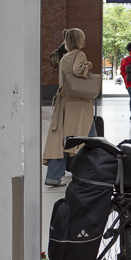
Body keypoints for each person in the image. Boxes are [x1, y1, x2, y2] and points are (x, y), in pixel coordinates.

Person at [42, 28, 96, 187]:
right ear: (80, 41)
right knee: (90, 137)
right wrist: (88, 66)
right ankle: (93, 172)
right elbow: (78, 72)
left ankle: (53, 175)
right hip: (78, 103)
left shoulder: (64, 57)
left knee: (62, 139)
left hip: (63, 101)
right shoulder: (80, 55)